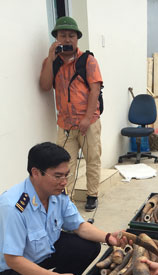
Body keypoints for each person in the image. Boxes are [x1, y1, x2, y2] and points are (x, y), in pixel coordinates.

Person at [0, 142, 123, 275]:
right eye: (58, 176)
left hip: (45, 250)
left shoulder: (57, 194)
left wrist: (108, 237)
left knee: (90, 246)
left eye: (66, 175)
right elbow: (13, 259)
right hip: (16, 266)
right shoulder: (13, 207)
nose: (64, 182)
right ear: (36, 173)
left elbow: (79, 226)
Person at [39, 16, 102, 212]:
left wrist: (85, 119)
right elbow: (45, 86)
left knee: (93, 159)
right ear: (56, 38)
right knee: (64, 165)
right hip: (65, 125)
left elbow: (95, 90)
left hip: (88, 122)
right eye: (63, 35)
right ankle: (66, 200)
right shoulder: (53, 63)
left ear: (77, 38)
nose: (67, 39)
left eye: (71, 36)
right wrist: (50, 59)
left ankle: (92, 195)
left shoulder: (88, 61)